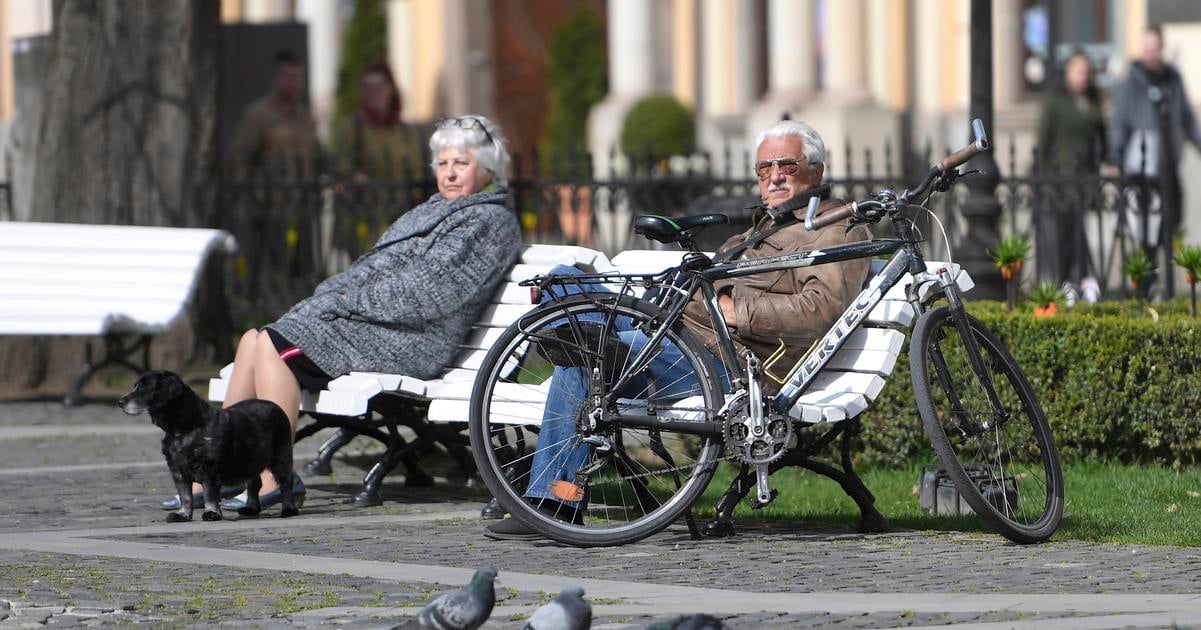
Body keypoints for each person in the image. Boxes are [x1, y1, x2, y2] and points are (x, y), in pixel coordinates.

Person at [484, 120, 874, 540]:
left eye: (787, 164)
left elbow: (822, 310)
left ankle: (554, 502)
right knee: (564, 280)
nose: (774, 176)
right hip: (673, 332)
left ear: (815, 170)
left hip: (728, 360)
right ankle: (586, 340)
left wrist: (736, 311)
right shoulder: (759, 229)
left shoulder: (839, 229)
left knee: (585, 356)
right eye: (764, 168)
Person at [161, 115, 523, 511]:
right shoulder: (435, 209)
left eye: (461, 164)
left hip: (414, 338)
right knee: (253, 339)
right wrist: (337, 294)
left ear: (487, 168)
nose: (449, 174)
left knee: (275, 347)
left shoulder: (489, 221)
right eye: (443, 163)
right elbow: (370, 268)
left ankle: (273, 477)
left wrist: (347, 301)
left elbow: (431, 293)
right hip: (378, 323)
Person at [1107, 25, 1201, 295]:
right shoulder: (1129, 82)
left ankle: (1163, 289)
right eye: (1145, 47)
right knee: (1145, 235)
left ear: (1162, 48)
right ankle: (1144, 289)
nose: (1150, 53)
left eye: (1154, 48)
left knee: (1169, 229)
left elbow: (1187, 121)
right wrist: (1115, 155)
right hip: (1141, 173)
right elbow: (1120, 124)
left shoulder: (1173, 79)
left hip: (1168, 169)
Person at [1034, 50, 1106, 294]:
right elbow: (1043, 141)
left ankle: (1081, 278)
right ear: (1067, 73)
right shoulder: (1056, 101)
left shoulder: (1092, 99)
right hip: (1061, 177)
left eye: (1086, 72)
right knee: (1067, 230)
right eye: (1078, 71)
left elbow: (1101, 134)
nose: (1082, 77)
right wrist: (1043, 175)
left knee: (1079, 227)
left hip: (1085, 176)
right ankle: (1069, 279)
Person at [229, 49, 320, 177]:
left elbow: (317, 159)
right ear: (276, 78)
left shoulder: (307, 118)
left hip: (303, 194)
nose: (296, 84)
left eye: (299, 78)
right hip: (271, 193)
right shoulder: (257, 115)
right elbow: (240, 159)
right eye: (290, 78)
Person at [329, 62, 423, 179]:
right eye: (368, 87)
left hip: (401, 196)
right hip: (367, 196)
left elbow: (417, 172)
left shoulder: (405, 131)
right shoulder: (350, 128)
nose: (374, 92)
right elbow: (341, 168)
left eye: (380, 86)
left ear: (391, 89)